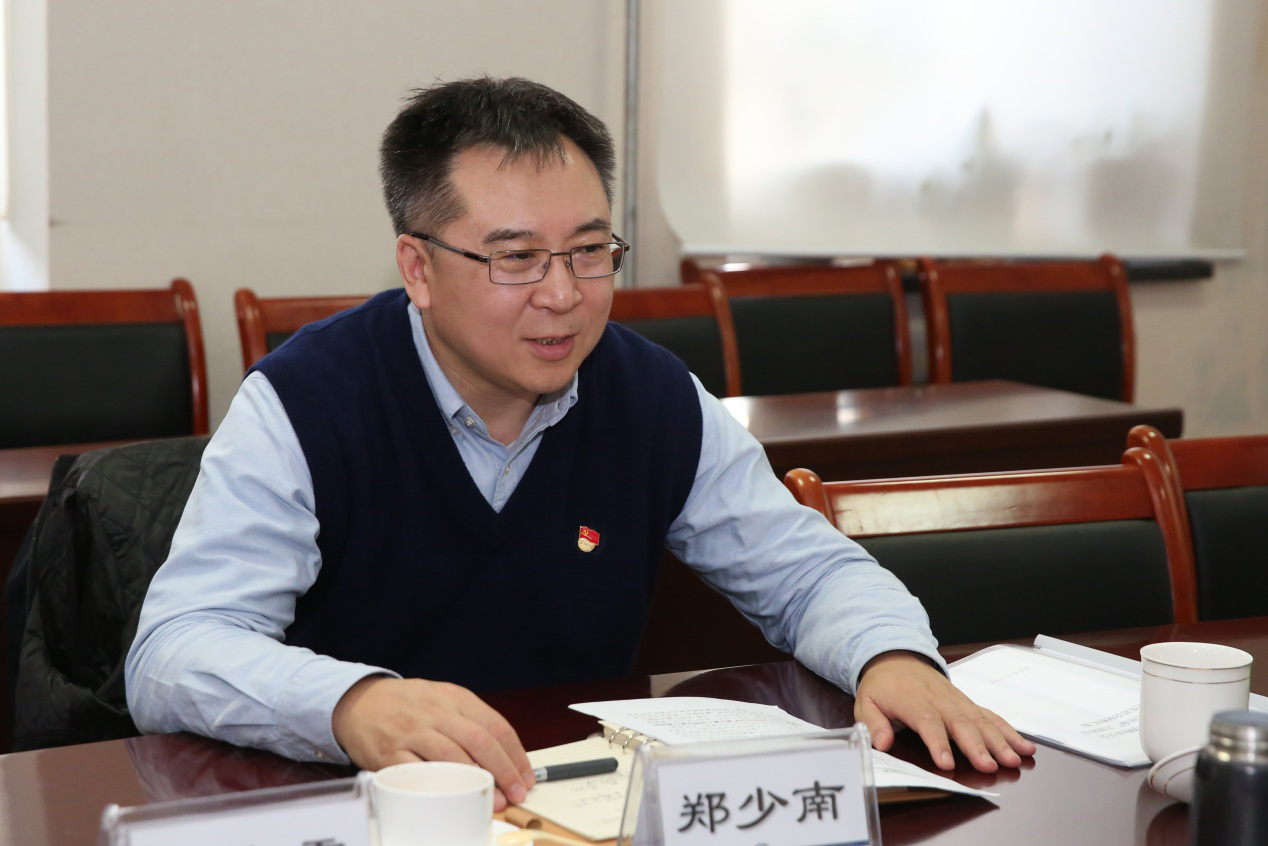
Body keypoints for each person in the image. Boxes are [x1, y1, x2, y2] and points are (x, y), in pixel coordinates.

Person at [125, 76, 1034, 810]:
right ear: (418, 268)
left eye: (590, 251)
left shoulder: (649, 395)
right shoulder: (304, 401)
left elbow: (806, 571)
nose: (563, 295)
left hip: (578, 808)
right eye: (516, 257)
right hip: (364, 810)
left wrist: (891, 657)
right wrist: (352, 703)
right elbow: (176, 649)